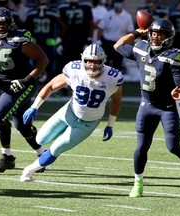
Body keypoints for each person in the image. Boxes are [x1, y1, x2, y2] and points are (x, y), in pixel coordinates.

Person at [114, 18, 180, 199]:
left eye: (161, 34)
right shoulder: (141, 46)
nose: (156, 38)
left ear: (169, 37)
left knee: (174, 147)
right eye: (154, 33)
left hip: (167, 107)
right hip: (146, 105)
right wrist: (136, 32)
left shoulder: (174, 55)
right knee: (141, 147)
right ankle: (138, 182)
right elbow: (118, 45)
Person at [20, 44, 124, 182]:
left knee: (55, 149)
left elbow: (116, 101)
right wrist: (35, 107)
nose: (92, 65)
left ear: (103, 61)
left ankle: (28, 171)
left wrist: (110, 125)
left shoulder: (112, 77)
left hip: (87, 124)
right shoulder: (74, 70)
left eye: (96, 61)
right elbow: (51, 86)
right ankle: (45, 157)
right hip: (68, 112)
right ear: (83, 60)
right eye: (89, 61)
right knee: (40, 140)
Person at [0, 7, 49, 173]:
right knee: (23, 126)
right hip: (4, 84)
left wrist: (27, 79)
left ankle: (7, 157)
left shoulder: (18, 39)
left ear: (11, 23)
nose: (1, 26)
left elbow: (42, 59)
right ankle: (43, 155)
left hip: (21, 84)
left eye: (4, 23)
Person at [25, 0, 67, 84]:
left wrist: (58, 40)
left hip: (48, 43)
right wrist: (29, 38)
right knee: (34, 65)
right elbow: (26, 27)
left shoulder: (52, 12)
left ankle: (52, 86)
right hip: (35, 43)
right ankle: (34, 87)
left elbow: (63, 27)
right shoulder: (31, 12)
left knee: (50, 65)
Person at [97, 0, 134, 73]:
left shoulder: (127, 16)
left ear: (122, 4)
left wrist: (128, 44)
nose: (117, 4)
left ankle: (116, 82)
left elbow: (130, 31)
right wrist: (99, 40)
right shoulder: (107, 14)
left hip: (120, 45)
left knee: (117, 65)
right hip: (107, 43)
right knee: (105, 64)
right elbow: (100, 28)